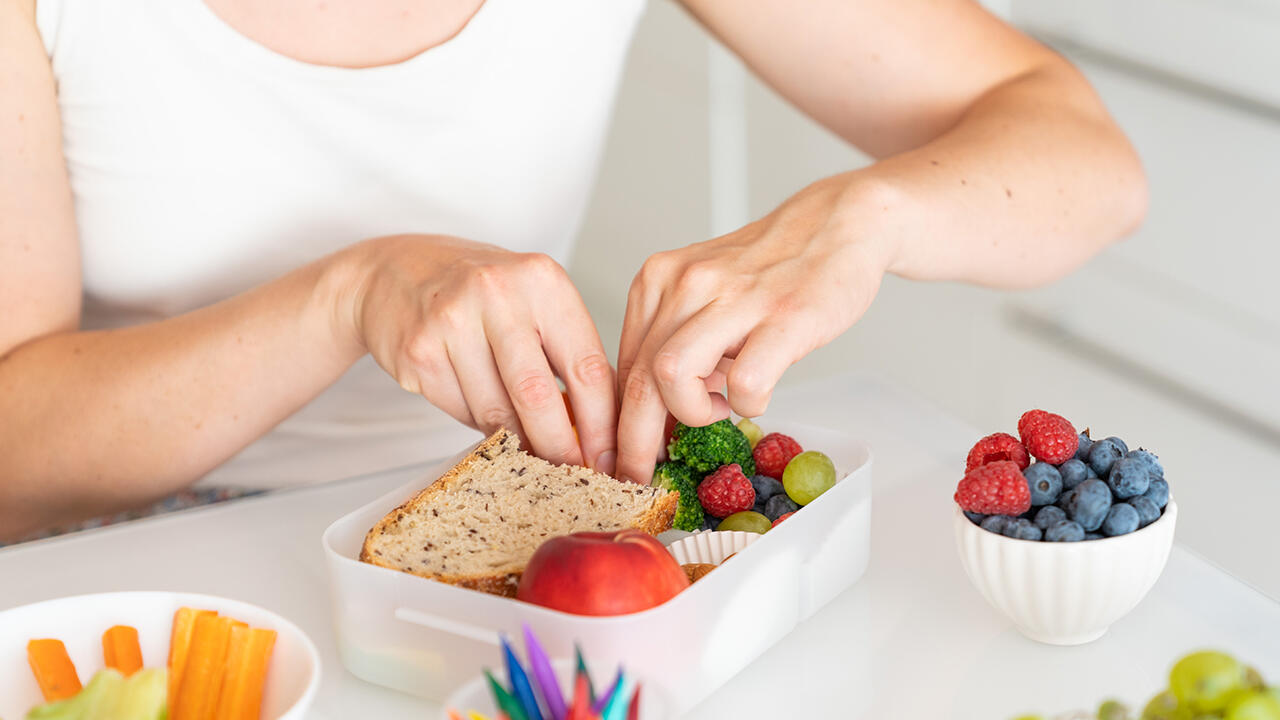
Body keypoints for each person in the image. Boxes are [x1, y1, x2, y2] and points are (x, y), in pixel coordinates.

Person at [0, 0, 1146, 542]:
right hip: (138, 552)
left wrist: (868, 216)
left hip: (518, 536)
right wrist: (347, 297)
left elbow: (1085, 164)